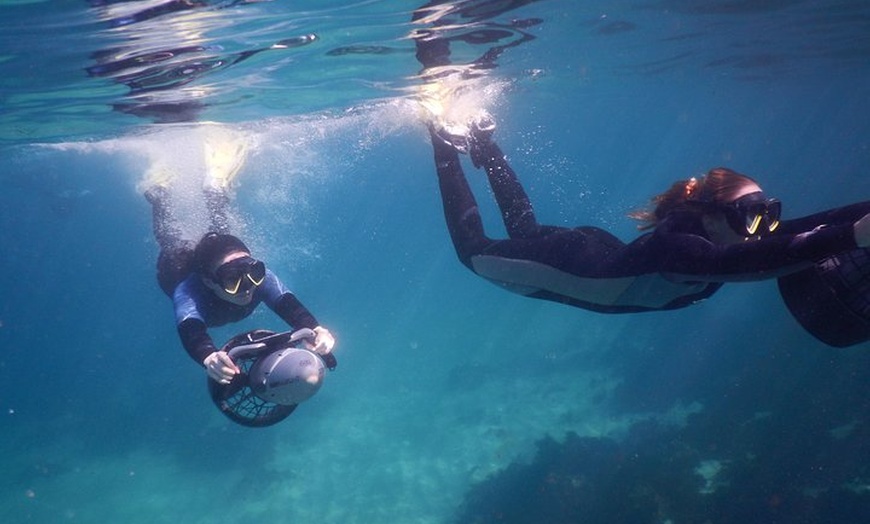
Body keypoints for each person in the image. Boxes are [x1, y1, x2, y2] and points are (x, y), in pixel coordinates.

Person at [142, 128, 336, 384]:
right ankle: (159, 190)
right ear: (209, 281)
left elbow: (290, 306)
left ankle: (215, 187)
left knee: (222, 233)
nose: (247, 287)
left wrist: (317, 329)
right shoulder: (188, 291)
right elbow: (191, 330)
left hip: (214, 258)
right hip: (177, 265)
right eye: (232, 279)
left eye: (252, 272)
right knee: (169, 238)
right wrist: (208, 356)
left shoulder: (258, 277)